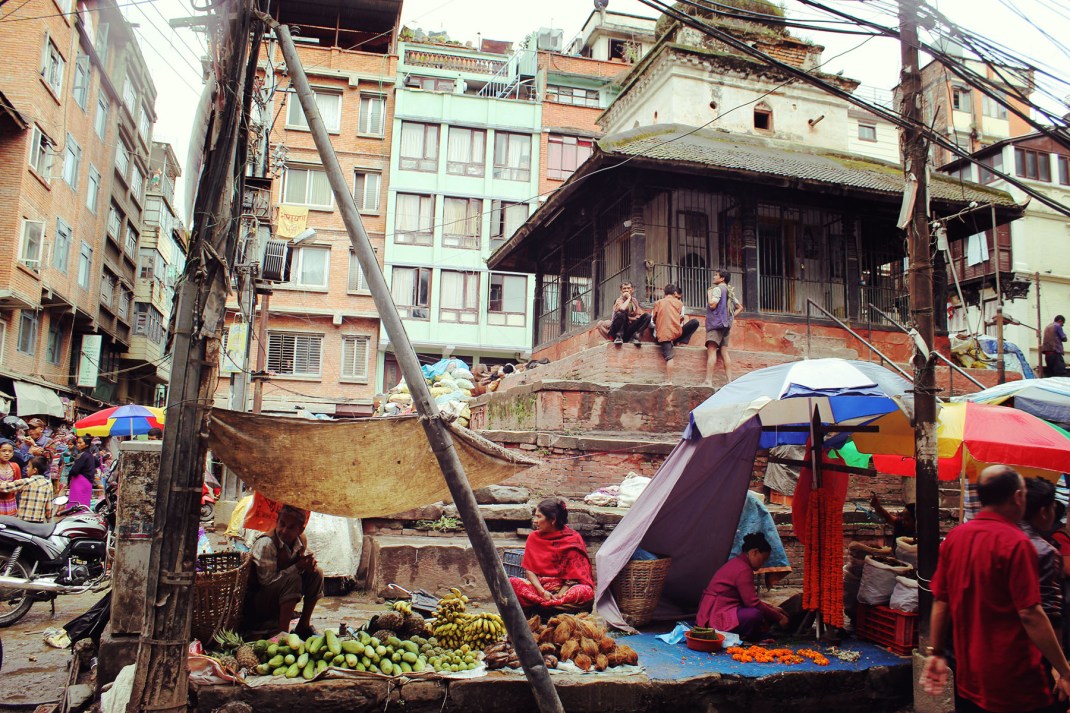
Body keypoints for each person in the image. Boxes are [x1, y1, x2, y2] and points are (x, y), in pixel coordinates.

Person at [921, 465, 1070, 713]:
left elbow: (941, 601)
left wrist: (935, 653)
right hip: (1014, 678)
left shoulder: (956, 537)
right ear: (1018, 497)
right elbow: (1030, 614)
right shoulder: (1017, 543)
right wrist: (1063, 669)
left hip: (969, 672)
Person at [248, 504, 323, 637]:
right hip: (259, 600)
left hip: (280, 592)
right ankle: (282, 633)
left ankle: (303, 625)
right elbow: (266, 582)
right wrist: (297, 568)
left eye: (291, 527)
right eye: (282, 524)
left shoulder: (300, 540)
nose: (284, 530)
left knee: (316, 573)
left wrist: (308, 564)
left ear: (300, 529)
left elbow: (297, 562)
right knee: (293, 579)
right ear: (277, 522)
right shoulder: (267, 544)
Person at [697, 532, 789, 641]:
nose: (762, 564)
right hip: (717, 613)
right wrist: (779, 617)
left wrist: (772, 608)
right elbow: (752, 603)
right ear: (754, 552)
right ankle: (751, 637)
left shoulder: (739, 563)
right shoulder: (743, 569)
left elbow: (749, 599)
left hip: (720, 608)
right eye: (763, 560)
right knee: (755, 615)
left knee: (763, 612)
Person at [509, 498, 595, 610]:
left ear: (553, 520)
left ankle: (548, 606)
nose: (535, 521)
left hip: (565, 590)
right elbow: (529, 571)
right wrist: (542, 592)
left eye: (539, 517)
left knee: (585, 592)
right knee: (511, 583)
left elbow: (575, 576)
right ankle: (553, 607)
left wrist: (560, 595)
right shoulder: (533, 538)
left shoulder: (573, 539)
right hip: (539, 589)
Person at [1021, 478, 1063, 633]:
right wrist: (1058, 657)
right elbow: (1050, 612)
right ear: (1044, 512)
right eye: (1053, 508)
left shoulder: (1000, 538)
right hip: (1030, 644)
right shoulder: (1046, 551)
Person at [650, 283, 701, 384]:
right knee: (694, 322)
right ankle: (680, 341)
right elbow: (681, 318)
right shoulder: (680, 304)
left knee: (669, 357)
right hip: (675, 333)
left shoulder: (658, 303)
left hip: (663, 335)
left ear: (664, 293)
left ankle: (669, 381)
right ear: (674, 293)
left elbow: (652, 321)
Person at [704, 270, 744, 386]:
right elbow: (740, 307)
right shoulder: (729, 291)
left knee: (711, 351)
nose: (714, 277)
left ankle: (708, 381)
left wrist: (709, 293)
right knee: (724, 352)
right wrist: (729, 317)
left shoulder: (717, 289)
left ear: (722, 278)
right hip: (726, 325)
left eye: (716, 275)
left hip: (715, 324)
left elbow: (713, 305)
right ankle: (729, 381)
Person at [0, 456, 53, 523]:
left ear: (34, 470)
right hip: (38, 521)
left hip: (23, 520)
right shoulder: (48, 484)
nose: (26, 469)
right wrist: (49, 520)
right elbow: (49, 506)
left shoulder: (25, 482)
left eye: (28, 467)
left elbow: (4, 487)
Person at [607, 282, 651, 347]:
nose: (626, 290)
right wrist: (628, 298)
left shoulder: (634, 301)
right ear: (621, 291)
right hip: (617, 330)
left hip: (628, 329)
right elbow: (622, 308)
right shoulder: (619, 300)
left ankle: (635, 336)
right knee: (621, 313)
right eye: (624, 288)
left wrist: (634, 318)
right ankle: (619, 337)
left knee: (647, 316)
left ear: (632, 290)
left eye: (628, 288)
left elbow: (639, 314)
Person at [66, 435, 97, 508]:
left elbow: (74, 470)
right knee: (84, 502)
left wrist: (68, 479)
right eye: (77, 443)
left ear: (86, 444)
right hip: (88, 481)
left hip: (79, 481)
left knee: (76, 503)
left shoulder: (82, 455)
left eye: (80, 443)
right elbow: (97, 463)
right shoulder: (91, 455)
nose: (78, 445)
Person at [0, 439, 22, 517]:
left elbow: (19, 485)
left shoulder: (15, 466)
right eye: (3, 451)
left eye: (10, 451)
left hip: (11, 503)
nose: (7, 453)